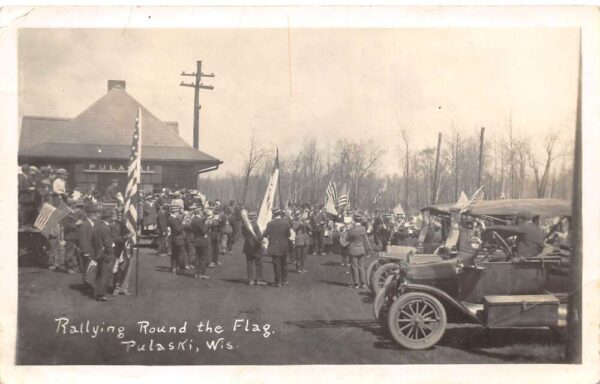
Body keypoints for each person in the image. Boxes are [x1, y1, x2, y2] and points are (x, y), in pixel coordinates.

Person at [92, 208, 117, 301]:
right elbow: (108, 243)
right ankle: (101, 294)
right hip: (106, 254)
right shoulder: (106, 228)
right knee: (105, 274)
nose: (112, 219)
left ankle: (96, 292)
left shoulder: (97, 226)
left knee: (99, 274)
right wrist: (111, 253)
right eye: (111, 217)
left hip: (98, 253)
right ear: (108, 218)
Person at [263, 208, 291, 287]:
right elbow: (288, 235)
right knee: (284, 263)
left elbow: (265, 234)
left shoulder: (270, 224)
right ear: (280, 214)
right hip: (283, 246)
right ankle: (284, 280)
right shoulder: (286, 223)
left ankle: (278, 281)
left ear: (273, 214)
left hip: (274, 246)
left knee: (276, 264)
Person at [241, 211, 266, 285]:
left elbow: (244, 235)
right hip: (256, 246)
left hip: (247, 245)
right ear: (254, 217)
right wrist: (263, 236)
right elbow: (259, 237)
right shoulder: (255, 225)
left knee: (249, 263)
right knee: (258, 263)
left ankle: (250, 280)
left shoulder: (244, 225)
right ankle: (259, 279)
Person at [346, 212, 370, 288]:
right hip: (361, 249)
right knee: (361, 267)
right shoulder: (363, 229)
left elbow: (347, 239)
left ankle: (356, 284)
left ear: (354, 220)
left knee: (354, 267)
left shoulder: (351, 230)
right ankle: (363, 283)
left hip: (353, 249)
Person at [190, 208, 211, 279]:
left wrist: (205, 219)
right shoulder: (199, 221)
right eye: (201, 212)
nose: (202, 213)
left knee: (197, 257)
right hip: (202, 241)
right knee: (203, 258)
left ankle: (196, 273)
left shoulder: (193, 220)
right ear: (199, 213)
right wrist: (208, 224)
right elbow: (204, 231)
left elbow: (198, 227)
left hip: (196, 240)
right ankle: (201, 274)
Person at [168, 206, 187, 273]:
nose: (179, 213)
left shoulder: (173, 218)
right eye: (178, 212)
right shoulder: (172, 219)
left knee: (175, 253)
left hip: (175, 238)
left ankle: (174, 267)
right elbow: (178, 229)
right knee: (181, 254)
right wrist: (183, 223)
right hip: (178, 238)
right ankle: (180, 268)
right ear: (175, 212)